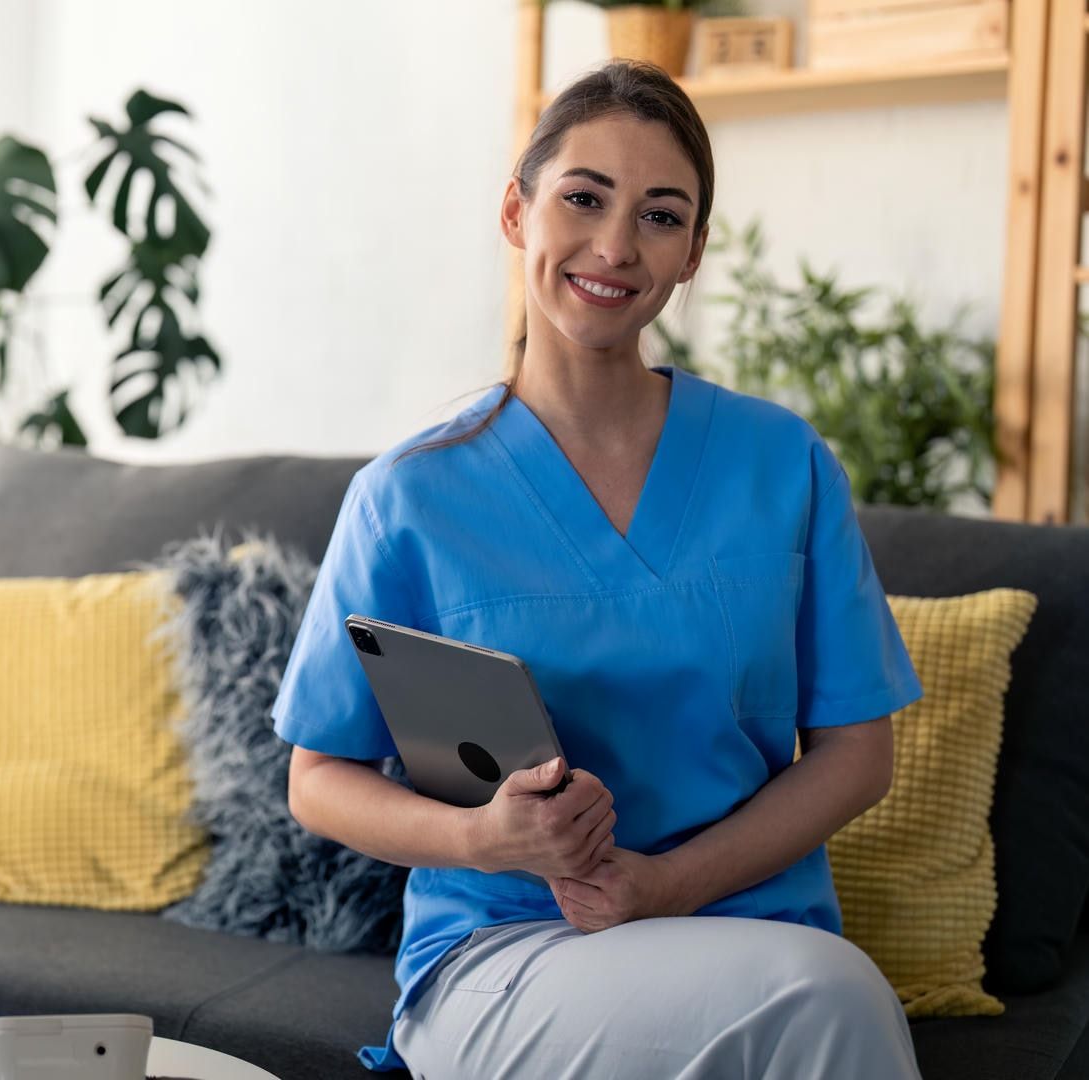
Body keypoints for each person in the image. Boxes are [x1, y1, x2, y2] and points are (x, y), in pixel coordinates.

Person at [271, 60, 925, 1080]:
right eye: (583, 198)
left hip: (755, 939)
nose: (616, 246)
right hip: (510, 953)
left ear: (695, 252)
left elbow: (856, 752)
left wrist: (666, 884)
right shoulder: (410, 494)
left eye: (661, 216)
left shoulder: (782, 465)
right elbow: (319, 781)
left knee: (820, 992)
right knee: (831, 1001)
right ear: (515, 211)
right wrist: (488, 839)